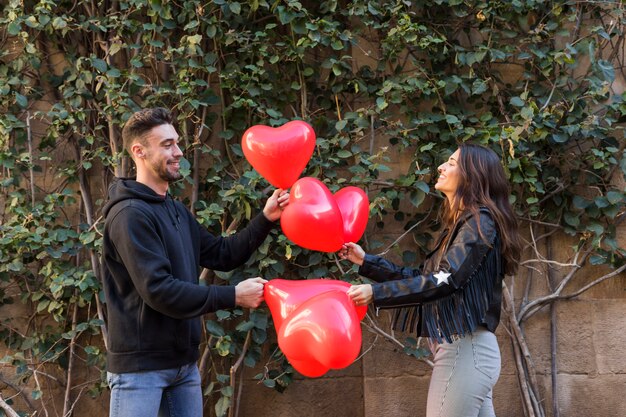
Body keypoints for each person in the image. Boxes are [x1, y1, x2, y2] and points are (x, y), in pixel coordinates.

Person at [102, 107, 289, 417]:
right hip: (140, 371)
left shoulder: (174, 210)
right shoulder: (130, 215)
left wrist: (266, 218)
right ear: (139, 151)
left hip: (182, 367)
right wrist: (233, 296)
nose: (178, 152)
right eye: (166, 145)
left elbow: (221, 254)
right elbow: (160, 290)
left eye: (176, 142)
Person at [339, 143, 521, 417]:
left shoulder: (479, 222)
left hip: (464, 351)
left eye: (451, 162)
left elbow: (445, 280)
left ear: (472, 174)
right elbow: (427, 278)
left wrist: (377, 293)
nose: (441, 166)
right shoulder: (465, 224)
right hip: (466, 352)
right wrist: (367, 262)